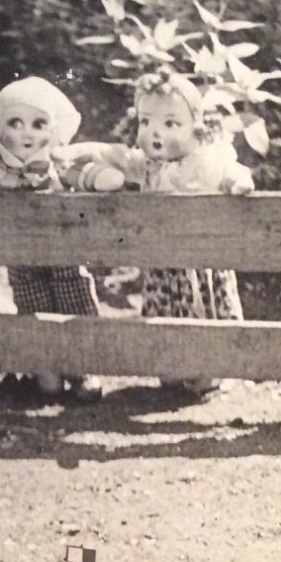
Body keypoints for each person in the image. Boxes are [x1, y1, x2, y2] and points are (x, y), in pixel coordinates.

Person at [0, 76, 123, 400]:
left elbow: (81, 172)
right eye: (15, 123)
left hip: (63, 251)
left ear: (52, 129)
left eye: (38, 123)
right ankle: (46, 369)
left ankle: (84, 369)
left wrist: (101, 178)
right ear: (0, 125)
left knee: (74, 297)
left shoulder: (55, 158)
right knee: (31, 304)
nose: (26, 133)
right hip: (20, 252)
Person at [56, 71, 252, 395]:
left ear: (196, 128)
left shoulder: (205, 160)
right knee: (165, 318)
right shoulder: (145, 164)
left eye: (170, 124)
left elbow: (230, 171)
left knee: (208, 317)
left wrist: (236, 182)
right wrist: (73, 151)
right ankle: (171, 368)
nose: (154, 133)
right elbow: (107, 152)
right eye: (146, 122)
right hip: (164, 267)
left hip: (204, 262)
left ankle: (209, 372)